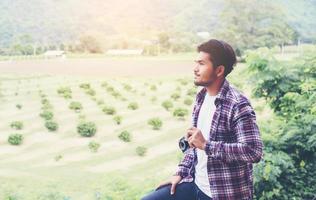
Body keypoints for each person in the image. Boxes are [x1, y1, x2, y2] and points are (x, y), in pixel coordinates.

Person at [141, 39, 263, 200]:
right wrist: (180, 172)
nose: (195, 69)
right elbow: (194, 145)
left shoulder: (238, 104)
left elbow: (253, 151)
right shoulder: (201, 97)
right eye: (196, 63)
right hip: (195, 184)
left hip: (223, 194)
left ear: (219, 70)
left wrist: (206, 145)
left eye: (201, 64)